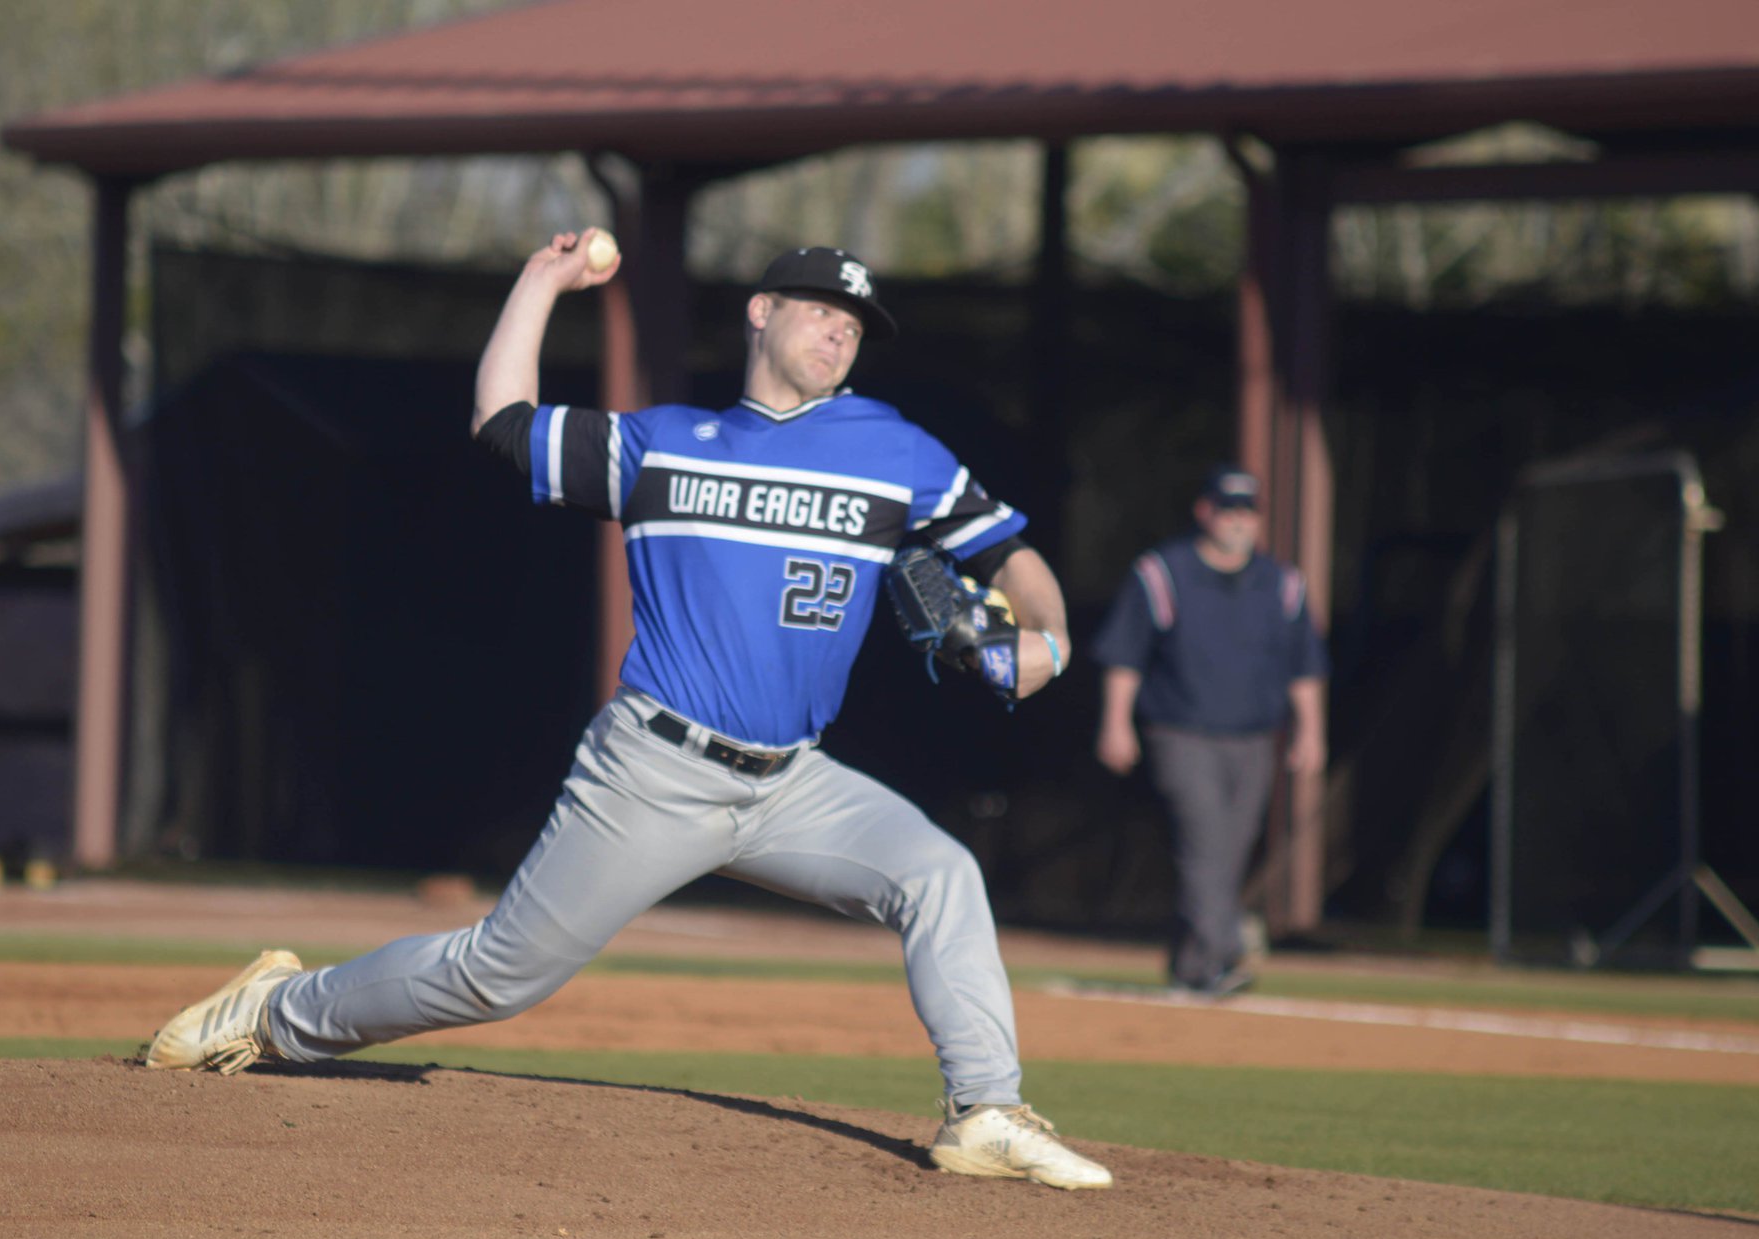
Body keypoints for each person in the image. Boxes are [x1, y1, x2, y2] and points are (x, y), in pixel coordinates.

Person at [145, 233, 1111, 1190]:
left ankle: (984, 1110)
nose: (839, 331)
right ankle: (275, 1013)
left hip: (795, 783)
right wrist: (540, 279)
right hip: (654, 771)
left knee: (940, 873)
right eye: (820, 307)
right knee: (496, 976)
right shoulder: (663, 446)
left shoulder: (894, 450)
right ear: (761, 311)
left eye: (856, 322)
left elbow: (1007, 553)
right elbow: (503, 421)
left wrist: (1050, 639)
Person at [1092, 464, 1328, 996]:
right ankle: (1225, 953)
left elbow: (1305, 668)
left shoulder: (1283, 583)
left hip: (1253, 738)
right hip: (1180, 732)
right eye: (1228, 511)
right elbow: (1125, 654)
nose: (1238, 522)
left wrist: (1311, 732)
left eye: (1247, 512)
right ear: (1206, 512)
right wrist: (1115, 724)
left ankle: (1191, 966)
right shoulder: (1161, 572)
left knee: (1228, 852)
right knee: (1205, 843)